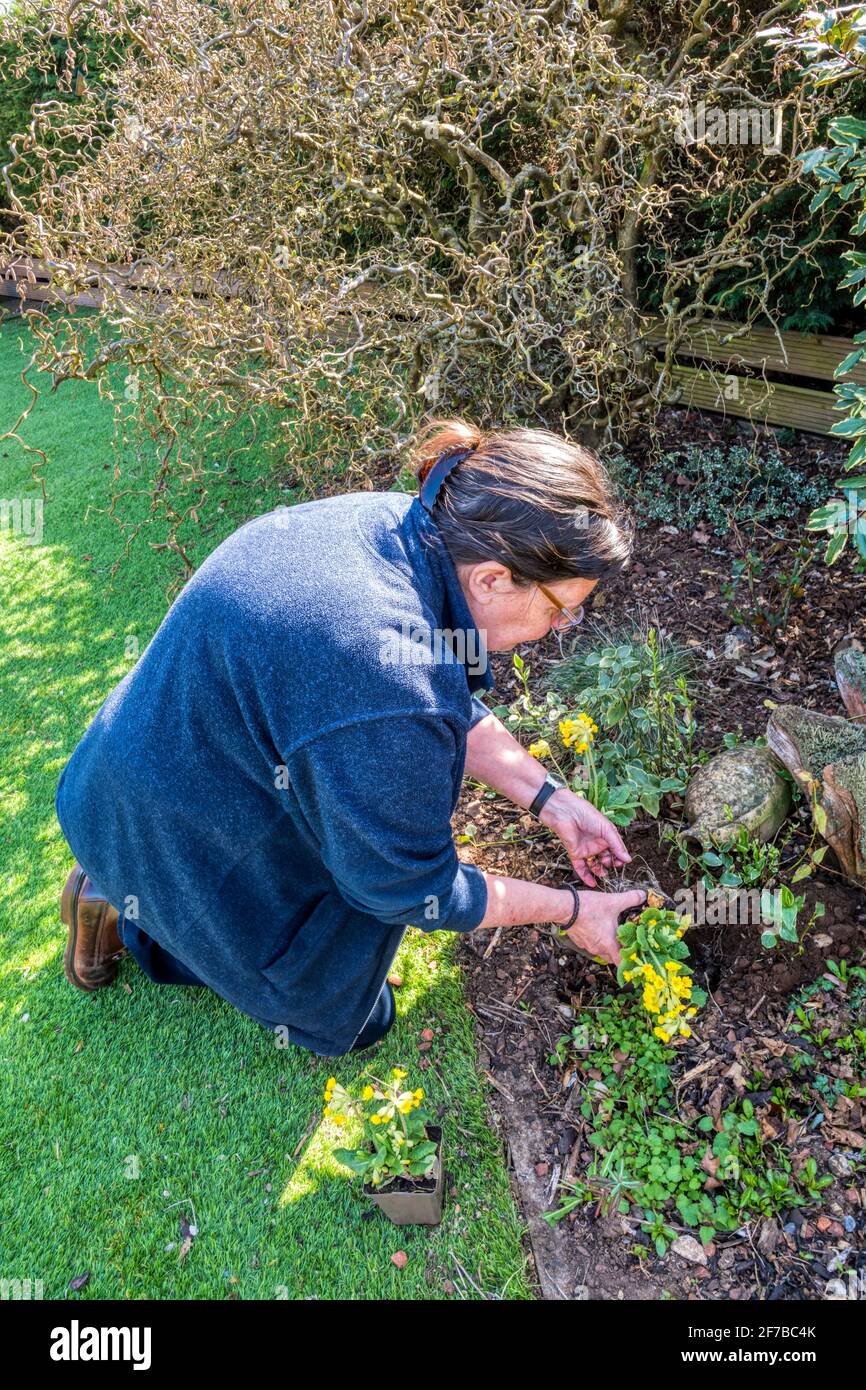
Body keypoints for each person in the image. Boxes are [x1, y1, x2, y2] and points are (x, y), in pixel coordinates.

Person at [56, 416, 646, 1056]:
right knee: (360, 1013)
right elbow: (409, 889)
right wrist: (570, 910)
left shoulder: (401, 526)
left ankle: (119, 878)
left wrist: (554, 802)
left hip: (125, 776)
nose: (562, 627)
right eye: (562, 609)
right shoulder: (386, 672)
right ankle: (134, 919)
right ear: (495, 578)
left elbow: (437, 701)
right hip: (168, 836)